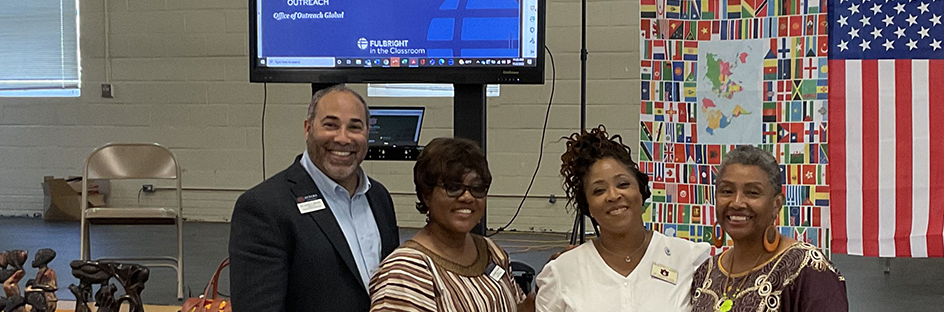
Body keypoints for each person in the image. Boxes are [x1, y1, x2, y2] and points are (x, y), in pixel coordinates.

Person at [230, 85, 401, 312]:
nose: (343, 138)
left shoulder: (379, 197)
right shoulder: (263, 207)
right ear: (308, 128)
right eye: (330, 125)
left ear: (367, 133)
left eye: (355, 127)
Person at [535, 126, 712, 312]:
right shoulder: (562, 272)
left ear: (641, 190)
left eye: (623, 184)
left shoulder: (690, 259)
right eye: (599, 190)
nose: (613, 195)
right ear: (588, 207)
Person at [369, 137, 531, 312]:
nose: (467, 197)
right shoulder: (404, 274)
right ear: (426, 195)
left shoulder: (492, 252)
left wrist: (553, 279)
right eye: (453, 187)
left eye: (477, 188)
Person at [689, 146, 847, 312]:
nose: (736, 202)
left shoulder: (807, 268)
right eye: (727, 191)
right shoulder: (706, 272)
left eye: (752, 193)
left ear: (776, 204)